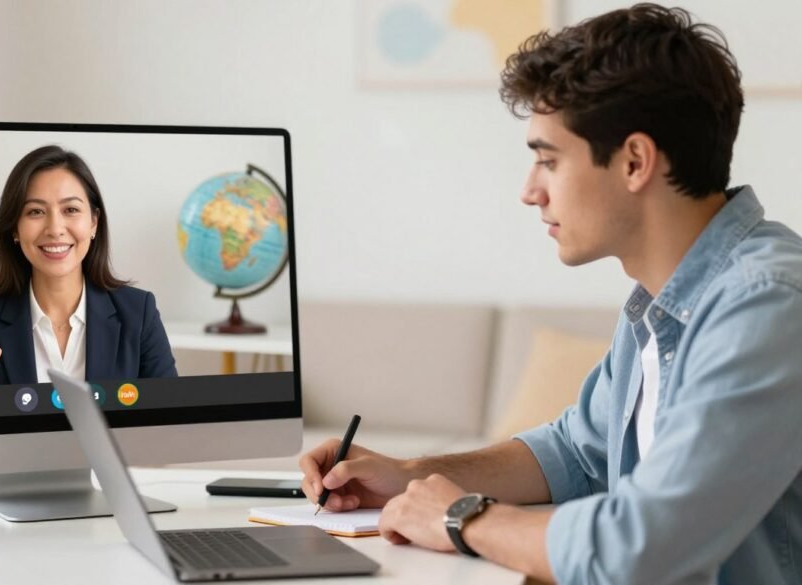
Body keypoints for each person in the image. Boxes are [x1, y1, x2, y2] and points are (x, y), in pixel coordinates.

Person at [300, 4, 802, 584]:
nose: (529, 191)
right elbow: (574, 453)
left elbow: (642, 547)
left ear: (635, 161)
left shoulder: (768, 305)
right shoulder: (658, 303)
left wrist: (464, 518)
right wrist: (408, 473)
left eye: (548, 160)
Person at [0, 145, 178, 386]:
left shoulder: (138, 313)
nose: (55, 229)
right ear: (15, 228)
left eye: (71, 210)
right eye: (35, 212)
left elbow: (169, 423)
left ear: (94, 222)